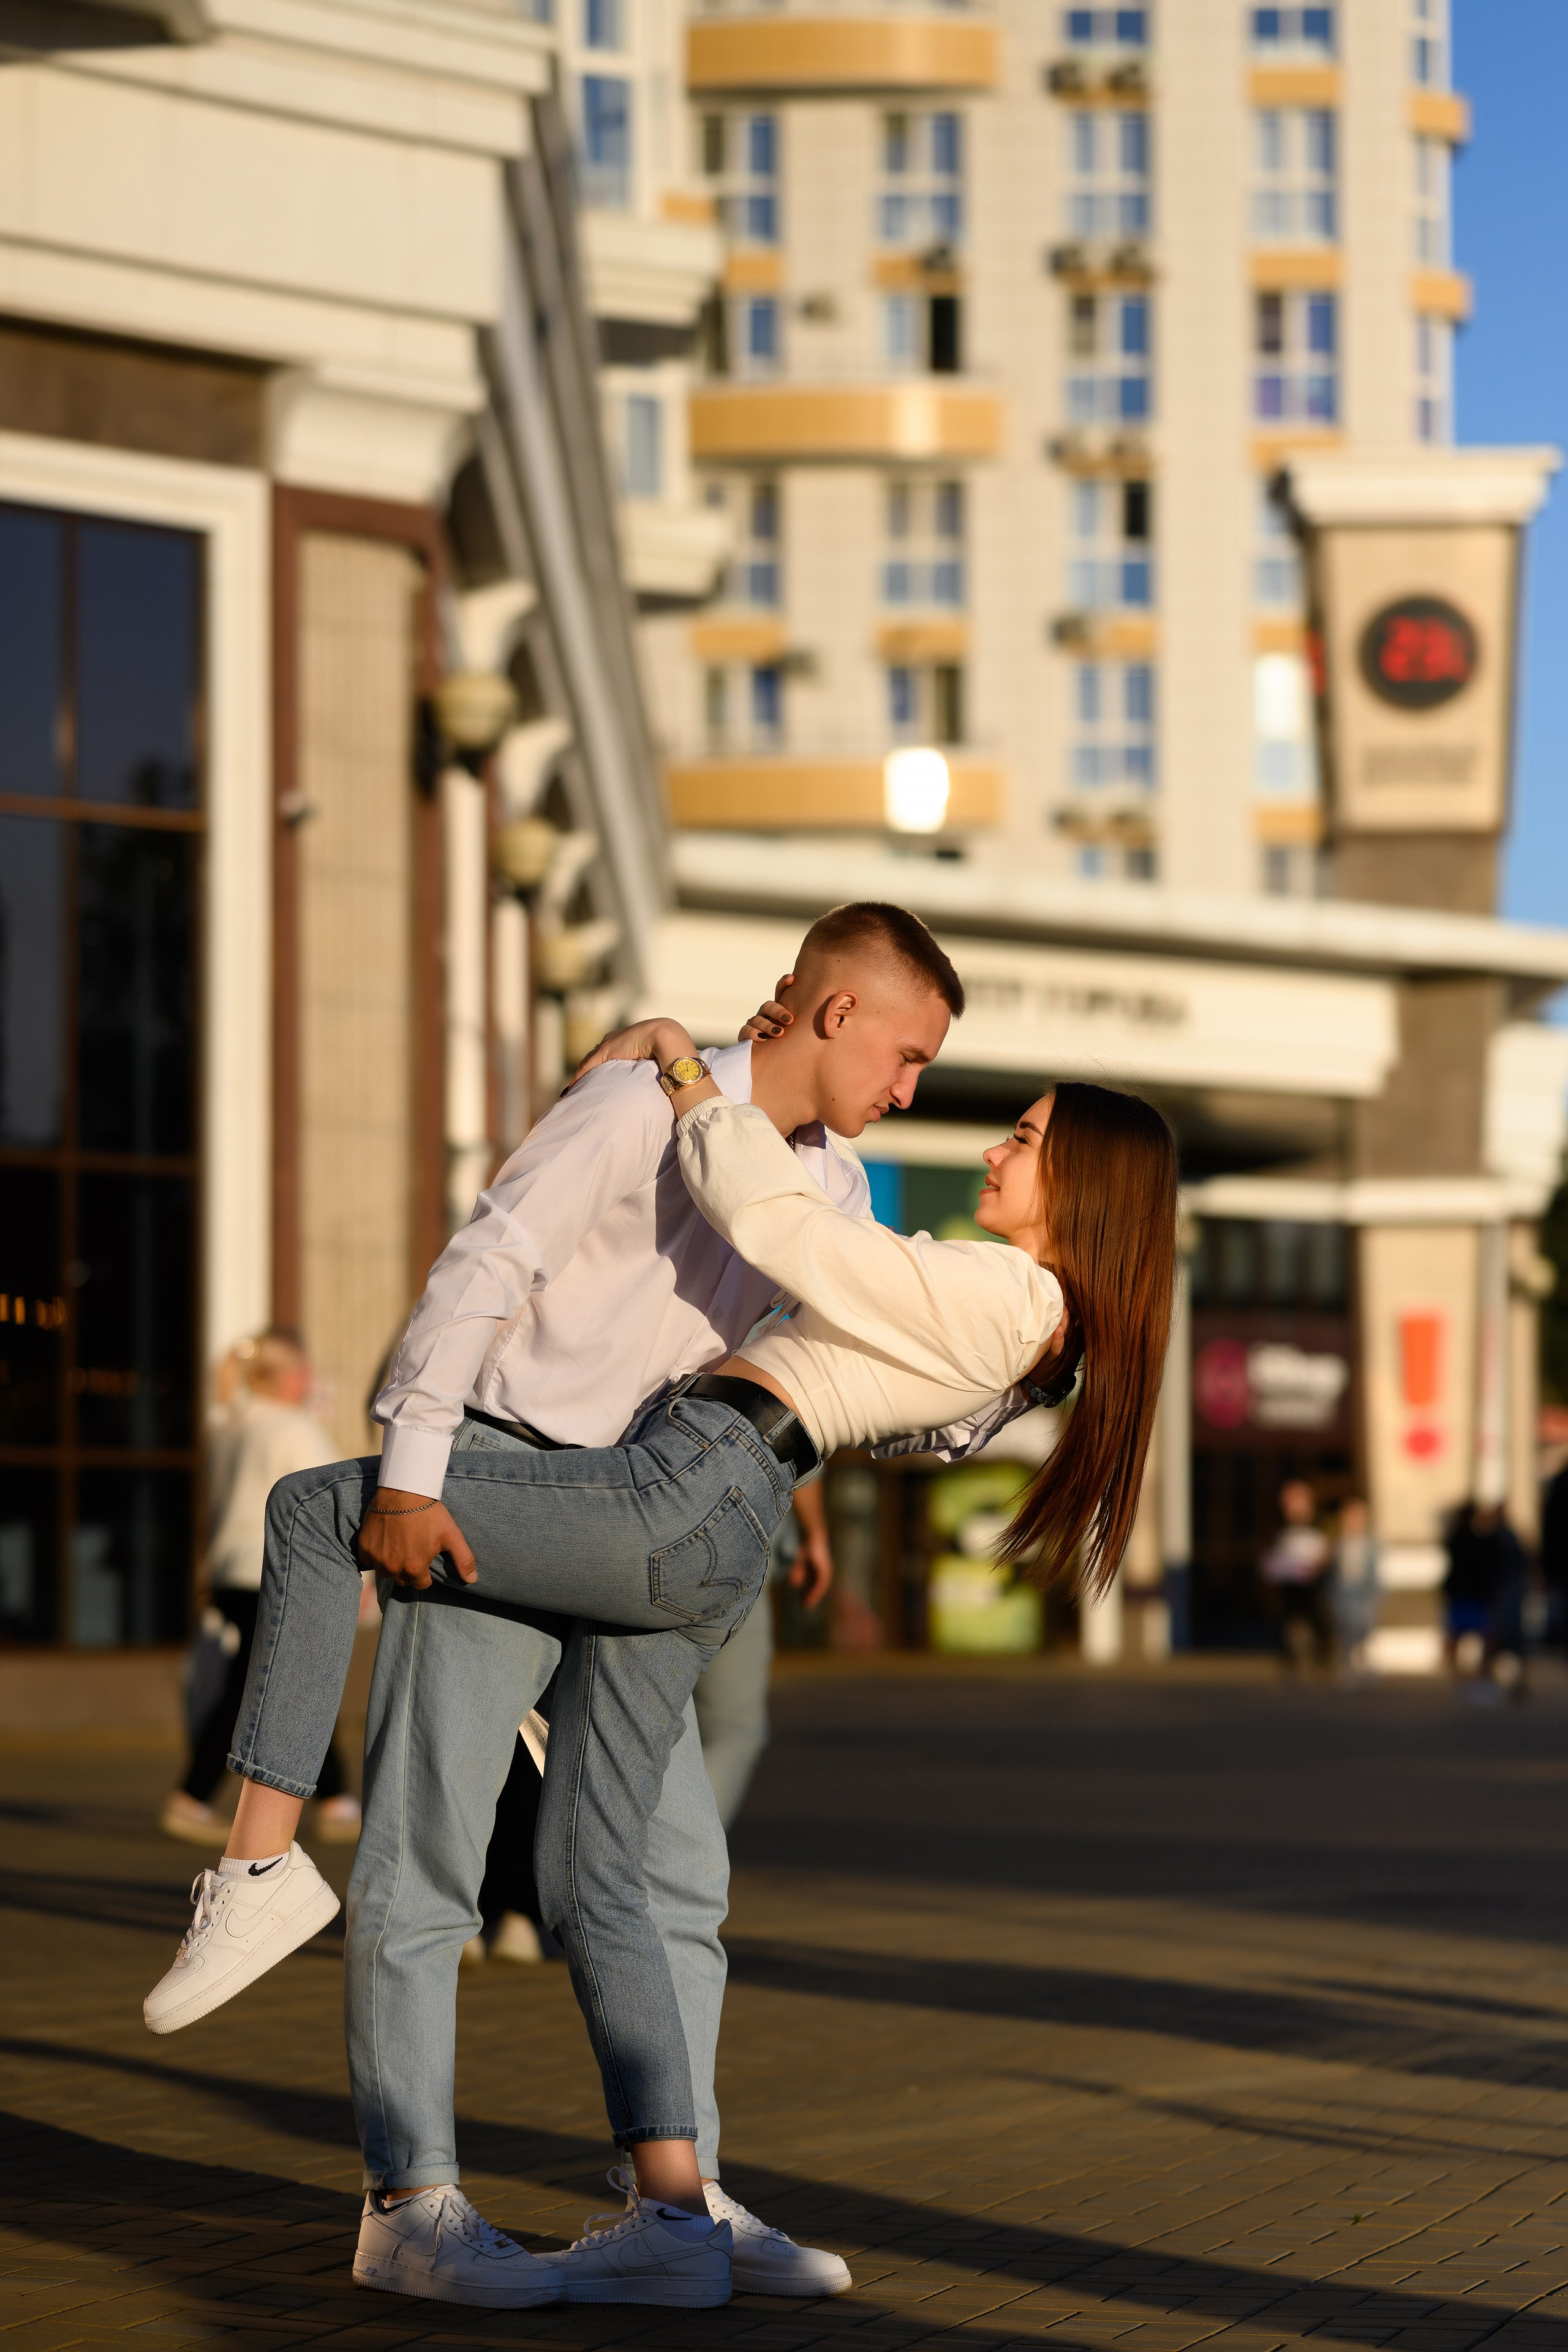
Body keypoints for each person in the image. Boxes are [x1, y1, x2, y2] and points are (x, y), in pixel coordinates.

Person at [146, 935, 1177, 2306]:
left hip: (664, 1494)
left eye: (1020, 1134)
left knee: (317, 1517)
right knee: (589, 1872)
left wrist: (686, 1061)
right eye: (915, 1060)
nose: (957, 1123)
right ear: (835, 1010)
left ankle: (265, 1874)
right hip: (634, 1485)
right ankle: (665, 2213)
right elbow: (508, 1254)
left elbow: (785, 1244)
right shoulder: (962, 1274)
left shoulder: (886, 1222)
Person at [161, 1329, 361, 1845]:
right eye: (305, 1371)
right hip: (276, 1573)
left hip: (231, 1575)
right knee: (291, 1684)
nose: (311, 1380)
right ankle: (199, 1797)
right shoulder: (293, 1427)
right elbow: (333, 1500)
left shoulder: (229, 1426)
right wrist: (360, 1576)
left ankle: (332, 1800)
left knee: (266, 1684)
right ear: (290, 1376)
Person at [695, 1479, 833, 1828]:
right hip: (730, 1531)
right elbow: (796, 1430)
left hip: (623, 1521)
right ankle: (665, 1868)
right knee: (732, 1731)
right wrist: (815, 1533)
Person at [1261, 1478, 1330, 1670]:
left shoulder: (1321, 1526)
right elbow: (1270, 1560)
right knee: (1287, 1621)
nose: (1294, 1506)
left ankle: (1320, 1660)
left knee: (1315, 1620)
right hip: (1288, 1588)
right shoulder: (1278, 1529)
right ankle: (1289, 1660)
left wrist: (1319, 1565)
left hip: (1313, 1588)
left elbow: (1327, 1555)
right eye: (1290, 1502)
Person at [1328, 1496, 1379, 1674]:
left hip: (1362, 1596)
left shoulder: (1370, 1544)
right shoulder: (1338, 1543)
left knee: (1362, 1631)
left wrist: (1375, 1597)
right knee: (1345, 1632)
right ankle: (1346, 1667)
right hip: (1343, 1596)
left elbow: (1374, 1574)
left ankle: (1361, 1666)